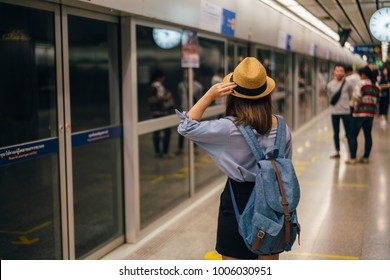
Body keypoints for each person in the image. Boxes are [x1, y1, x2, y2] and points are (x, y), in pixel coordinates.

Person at [177, 57, 292, 260]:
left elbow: (186, 126)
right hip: (273, 200)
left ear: (233, 94)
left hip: (239, 198)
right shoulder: (282, 126)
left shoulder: (228, 128)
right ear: (266, 94)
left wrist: (209, 95)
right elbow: (285, 165)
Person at [346, 66, 380, 165]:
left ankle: (352, 158)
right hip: (370, 114)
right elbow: (377, 101)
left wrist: (352, 106)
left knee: (352, 136)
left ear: (364, 75)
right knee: (368, 135)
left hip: (359, 113)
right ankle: (365, 158)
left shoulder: (361, 84)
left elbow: (355, 98)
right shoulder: (376, 86)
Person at [326, 64, 353, 159]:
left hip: (346, 111)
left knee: (349, 133)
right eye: (337, 70)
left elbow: (350, 95)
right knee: (335, 133)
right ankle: (337, 151)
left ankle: (350, 153)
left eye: (341, 71)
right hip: (334, 112)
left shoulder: (348, 84)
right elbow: (330, 97)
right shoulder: (329, 85)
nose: (339, 72)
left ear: (344, 73)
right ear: (334, 72)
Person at [147, 69, 174, 158]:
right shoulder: (154, 87)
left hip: (163, 112)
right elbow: (152, 100)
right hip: (158, 112)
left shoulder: (160, 87)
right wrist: (165, 98)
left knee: (160, 132)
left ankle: (160, 151)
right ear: (159, 77)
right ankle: (161, 152)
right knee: (163, 132)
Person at [176, 69, 203, 155]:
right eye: (185, 73)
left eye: (188, 73)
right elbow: (180, 95)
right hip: (184, 110)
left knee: (194, 129)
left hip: (194, 110)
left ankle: (195, 148)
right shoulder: (181, 85)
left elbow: (200, 99)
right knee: (181, 129)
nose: (186, 75)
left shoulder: (198, 86)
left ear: (193, 74)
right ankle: (180, 148)